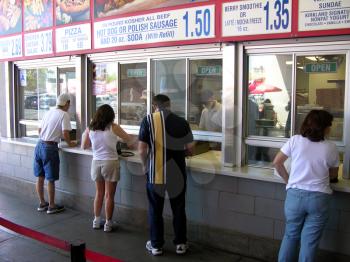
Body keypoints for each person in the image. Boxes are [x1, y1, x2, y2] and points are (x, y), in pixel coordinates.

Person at [273, 110, 339, 262]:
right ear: (324, 127)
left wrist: (288, 181)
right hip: (319, 198)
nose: (330, 128)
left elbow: (277, 162)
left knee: (290, 235)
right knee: (309, 242)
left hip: (294, 196)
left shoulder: (295, 140)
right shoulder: (331, 147)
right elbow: (334, 175)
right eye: (330, 125)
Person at [138, 94, 194, 256]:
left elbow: (142, 149)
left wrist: (144, 166)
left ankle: (156, 245)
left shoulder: (148, 120)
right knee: (179, 208)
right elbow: (191, 149)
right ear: (169, 105)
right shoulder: (182, 122)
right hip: (178, 175)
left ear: (154, 106)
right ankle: (181, 244)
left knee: (155, 209)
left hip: (156, 174)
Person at [82, 104, 133, 232]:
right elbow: (129, 140)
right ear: (111, 116)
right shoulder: (113, 127)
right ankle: (108, 224)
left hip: (96, 162)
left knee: (99, 194)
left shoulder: (90, 128)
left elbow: (84, 146)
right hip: (110, 163)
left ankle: (96, 221)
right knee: (109, 195)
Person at [34, 93, 76, 214]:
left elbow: (39, 130)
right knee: (50, 178)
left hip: (39, 145)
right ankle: (52, 206)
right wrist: (70, 143)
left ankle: (42, 203)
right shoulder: (64, 114)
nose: (69, 106)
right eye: (69, 104)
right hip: (49, 147)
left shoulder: (49, 112)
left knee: (40, 176)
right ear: (66, 103)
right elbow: (66, 133)